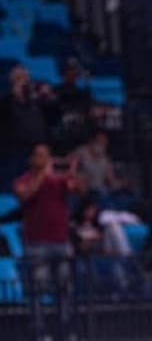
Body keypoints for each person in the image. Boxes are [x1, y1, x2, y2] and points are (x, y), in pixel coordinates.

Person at [13, 143, 79, 339]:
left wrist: (71, 169)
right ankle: (40, 331)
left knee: (65, 288)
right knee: (38, 290)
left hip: (61, 241)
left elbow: (76, 188)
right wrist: (43, 173)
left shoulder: (57, 181)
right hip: (36, 244)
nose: (43, 160)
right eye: (39, 156)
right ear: (32, 159)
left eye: (46, 156)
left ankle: (65, 329)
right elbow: (25, 194)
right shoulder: (22, 180)